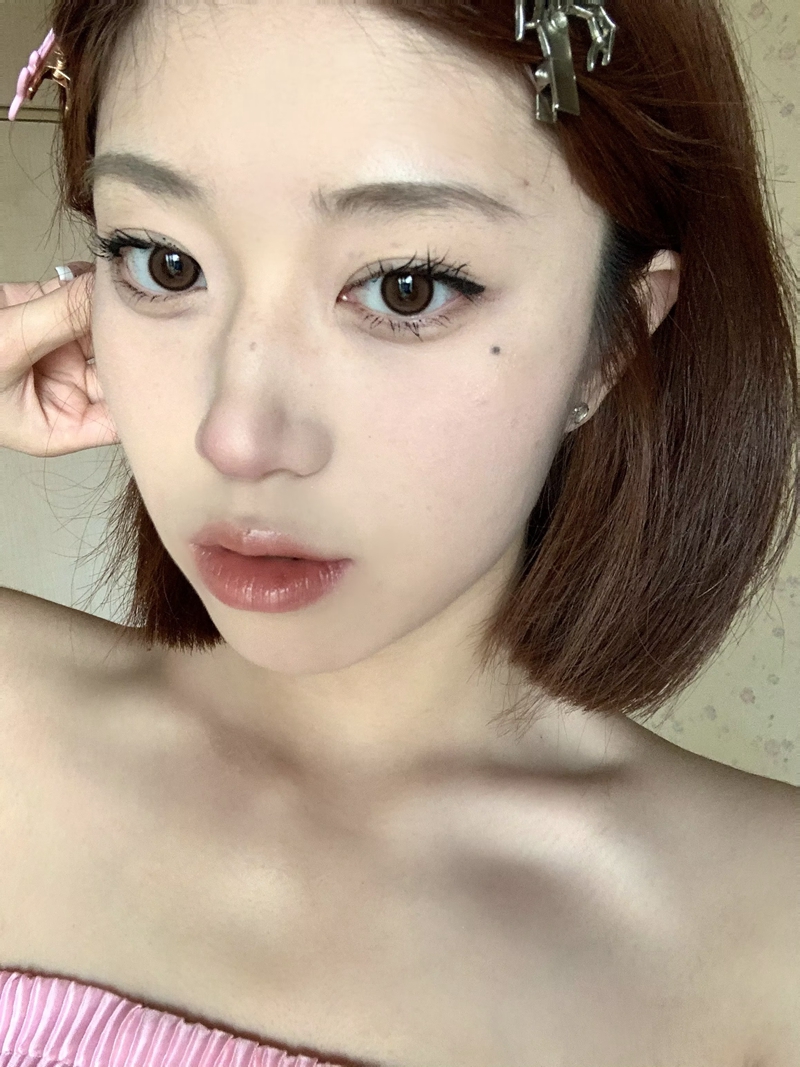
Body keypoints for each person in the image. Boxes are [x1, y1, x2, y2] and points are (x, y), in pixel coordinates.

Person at [0, 1, 797, 1065]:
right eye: (162, 262)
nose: (237, 435)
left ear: (611, 339)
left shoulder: (769, 941)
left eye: (404, 288)